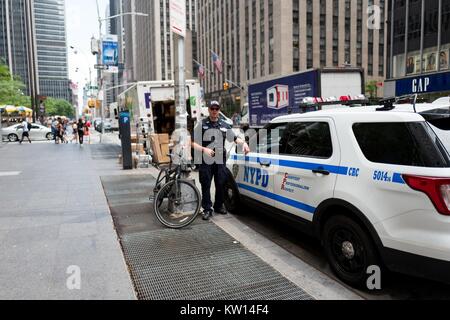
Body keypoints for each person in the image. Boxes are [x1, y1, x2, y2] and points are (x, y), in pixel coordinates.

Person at [192, 101, 250, 221]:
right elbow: (192, 143)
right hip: (206, 160)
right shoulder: (202, 124)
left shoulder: (224, 125)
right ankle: (207, 209)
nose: (214, 111)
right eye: (212, 108)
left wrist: (243, 143)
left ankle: (218, 206)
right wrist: (204, 149)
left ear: (219, 110)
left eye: (216, 108)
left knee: (220, 183)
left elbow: (234, 138)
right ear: (208, 110)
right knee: (206, 184)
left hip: (219, 160)